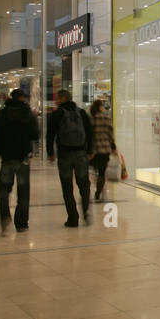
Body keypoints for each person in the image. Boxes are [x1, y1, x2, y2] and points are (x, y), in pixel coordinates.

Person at [0, 88, 39, 235]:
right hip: (23, 157)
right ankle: (21, 224)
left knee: (4, 191)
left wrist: (1, 152)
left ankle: (5, 218)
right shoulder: (28, 114)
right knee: (23, 192)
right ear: (23, 98)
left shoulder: (2, 113)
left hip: (7, 158)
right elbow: (35, 135)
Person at [47, 89, 93, 227]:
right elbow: (90, 133)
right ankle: (86, 212)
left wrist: (50, 153)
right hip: (80, 154)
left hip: (64, 155)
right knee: (84, 185)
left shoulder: (57, 114)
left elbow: (50, 135)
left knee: (67, 187)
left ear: (62, 98)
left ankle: (73, 218)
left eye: (57, 98)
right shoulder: (82, 113)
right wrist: (90, 150)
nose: (55, 100)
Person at [89, 98, 117, 201]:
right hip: (105, 150)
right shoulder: (107, 119)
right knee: (102, 172)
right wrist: (113, 147)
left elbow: (90, 136)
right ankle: (99, 190)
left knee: (94, 171)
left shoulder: (92, 119)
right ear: (100, 107)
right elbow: (111, 135)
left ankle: (98, 186)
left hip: (95, 150)